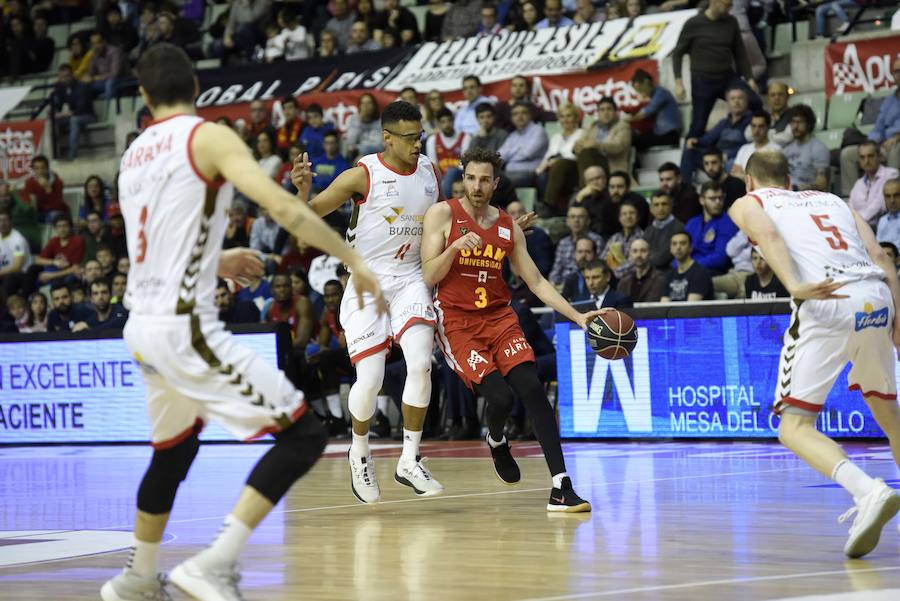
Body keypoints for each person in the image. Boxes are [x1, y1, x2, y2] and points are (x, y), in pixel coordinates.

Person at [100, 43, 385, 601]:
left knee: (174, 450)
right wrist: (353, 258)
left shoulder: (133, 156)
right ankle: (215, 562)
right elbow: (282, 207)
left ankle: (137, 577)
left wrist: (218, 259)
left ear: (144, 97)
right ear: (196, 88)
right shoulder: (206, 136)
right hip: (183, 327)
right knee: (303, 435)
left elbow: (151, 248)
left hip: (142, 328)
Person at [728, 150, 900, 558]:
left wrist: (793, 285)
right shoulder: (833, 199)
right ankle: (871, 493)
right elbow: (880, 257)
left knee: (793, 428)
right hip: (876, 297)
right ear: (789, 180)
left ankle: (867, 491)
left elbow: (768, 236)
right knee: (890, 417)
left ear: (749, 181)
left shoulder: (748, 202)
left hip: (827, 301)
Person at [421, 147, 595, 512]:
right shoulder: (442, 214)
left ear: (496, 183)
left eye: (485, 180)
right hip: (458, 323)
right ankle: (497, 440)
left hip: (500, 318)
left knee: (532, 389)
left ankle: (561, 487)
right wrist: (455, 247)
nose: (477, 186)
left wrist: (578, 317)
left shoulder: (508, 227)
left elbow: (536, 281)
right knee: (500, 398)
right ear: (462, 178)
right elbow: (429, 275)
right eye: (471, 178)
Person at [290, 100, 444, 505]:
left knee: (421, 364)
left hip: (411, 279)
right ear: (387, 138)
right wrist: (302, 191)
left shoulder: (430, 172)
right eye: (409, 138)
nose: (417, 144)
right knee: (371, 379)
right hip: (366, 281)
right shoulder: (362, 175)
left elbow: (441, 224)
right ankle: (359, 452)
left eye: (420, 136)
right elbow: (307, 216)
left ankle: (409, 459)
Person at [672, 0, 759, 143]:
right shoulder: (694, 23)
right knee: (698, 125)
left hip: (727, 77)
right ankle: (690, 153)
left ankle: (746, 138)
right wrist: (678, 82)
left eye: (730, 5)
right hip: (702, 80)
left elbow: (740, 53)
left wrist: (750, 78)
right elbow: (677, 53)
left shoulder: (731, 22)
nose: (729, 9)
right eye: (726, 5)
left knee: (754, 102)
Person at [682, 87, 751, 184]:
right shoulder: (724, 122)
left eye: (740, 98)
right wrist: (696, 141)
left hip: (734, 158)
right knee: (689, 152)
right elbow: (709, 138)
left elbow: (750, 146)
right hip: (717, 157)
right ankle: (685, 186)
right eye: (732, 98)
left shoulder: (752, 122)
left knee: (731, 163)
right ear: (728, 102)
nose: (736, 101)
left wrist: (728, 155)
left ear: (746, 101)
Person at [684, 182, 739, 276]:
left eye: (720, 198)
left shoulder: (727, 223)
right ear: (702, 200)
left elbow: (720, 258)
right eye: (712, 199)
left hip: (712, 271)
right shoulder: (692, 223)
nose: (718, 202)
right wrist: (678, 265)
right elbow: (681, 249)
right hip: (689, 268)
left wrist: (690, 266)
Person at [549, 205, 605, 286]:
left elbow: (599, 269)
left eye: (580, 217)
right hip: (562, 286)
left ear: (588, 221)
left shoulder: (596, 240)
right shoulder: (563, 243)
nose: (576, 220)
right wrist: (553, 284)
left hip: (587, 285)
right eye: (572, 217)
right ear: (567, 221)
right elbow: (555, 271)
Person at [497, 101, 549, 188]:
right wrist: (517, 150)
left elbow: (527, 154)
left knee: (498, 184)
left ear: (530, 115)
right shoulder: (513, 135)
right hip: (509, 173)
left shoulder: (538, 131)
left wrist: (509, 155)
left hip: (530, 174)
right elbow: (499, 156)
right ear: (511, 118)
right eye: (515, 114)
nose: (519, 116)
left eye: (523, 113)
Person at [628, 68, 682, 151]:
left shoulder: (661, 93)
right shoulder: (654, 96)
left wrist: (625, 120)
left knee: (633, 140)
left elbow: (645, 113)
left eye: (641, 89)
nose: (641, 93)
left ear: (646, 82)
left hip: (669, 136)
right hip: (660, 134)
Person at [849, 142, 899, 228]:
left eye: (870, 156)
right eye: (862, 157)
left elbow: (878, 205)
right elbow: (850, 208)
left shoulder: (891, 174)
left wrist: (856, 222)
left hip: (880, 226)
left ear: (879, 156)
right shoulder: (858, 183)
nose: (866, 161)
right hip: (858, 227)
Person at [782, 105, 830, 192]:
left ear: (809, 124)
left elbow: (821, 184)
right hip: (787, 192)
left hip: (807, 195)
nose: (795, 126)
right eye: (793, 122)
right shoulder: (786, 150)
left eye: (800, 122)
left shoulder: (819, 149)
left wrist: (798, 188)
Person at [427, 107, 471, 198]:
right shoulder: (432, 140)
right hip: (441, 178)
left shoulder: (465, 137)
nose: (447, 124)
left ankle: (445, 199)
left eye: (449, 121)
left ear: (453, 121)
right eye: (443, 122)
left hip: (460, 175)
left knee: (451, 171)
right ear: (438, 123)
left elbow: (464, 163)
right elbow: (434, 166)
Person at [660, 232, 714, 302]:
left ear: (690, 248)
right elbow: (664, 304)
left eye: (682, 243)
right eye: (674, 244)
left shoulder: (700, 273)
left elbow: (691, 306)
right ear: (671, 249)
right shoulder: (669, 275)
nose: (678, 247)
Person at [732, 110, 783, 180]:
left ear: (768, 127)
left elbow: (769, 180)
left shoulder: (776, 150)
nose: (756, 130)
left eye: (761, 126)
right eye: (753, 126)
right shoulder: (744, 149)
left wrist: (743, 175)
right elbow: (734, 174)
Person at [643, 190, 684, 271]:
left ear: (671, 206)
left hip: (669, 273)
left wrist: (643, 259)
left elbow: (661, 259)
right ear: (651, 208)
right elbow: (642, 253)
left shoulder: (679, 228)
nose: (660, 208)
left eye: (664, 204)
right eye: (656, 205)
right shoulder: (648, 230)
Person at [0, 207, 33, 299]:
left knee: (9, 280)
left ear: (11, 222)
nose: (2, 224)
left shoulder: (18, 240)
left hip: (21, 275)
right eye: (0, 220)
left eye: (5, 220)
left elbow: (17, 267)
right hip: (4, 273)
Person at [876, 179, 900, 249]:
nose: (892, 200)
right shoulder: (882, 220)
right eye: (888, 196)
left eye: (896, 195)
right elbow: (877, 244)